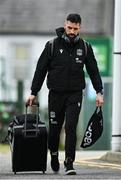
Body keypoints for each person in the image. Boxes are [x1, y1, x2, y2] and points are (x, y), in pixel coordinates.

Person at [26, 13, 104, 175]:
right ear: (65, 25)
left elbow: (94, 71)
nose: (72, 31)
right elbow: (40, 70)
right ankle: (54, 154)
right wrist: (33, 92)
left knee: (70, 127)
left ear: (79, 28)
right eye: (69, 27)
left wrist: (99, 92)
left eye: (75, 29)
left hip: (75, 94)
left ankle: (69, 163)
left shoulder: (85, 47)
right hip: (55, 95)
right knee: (54, 129)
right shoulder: (52, 45)